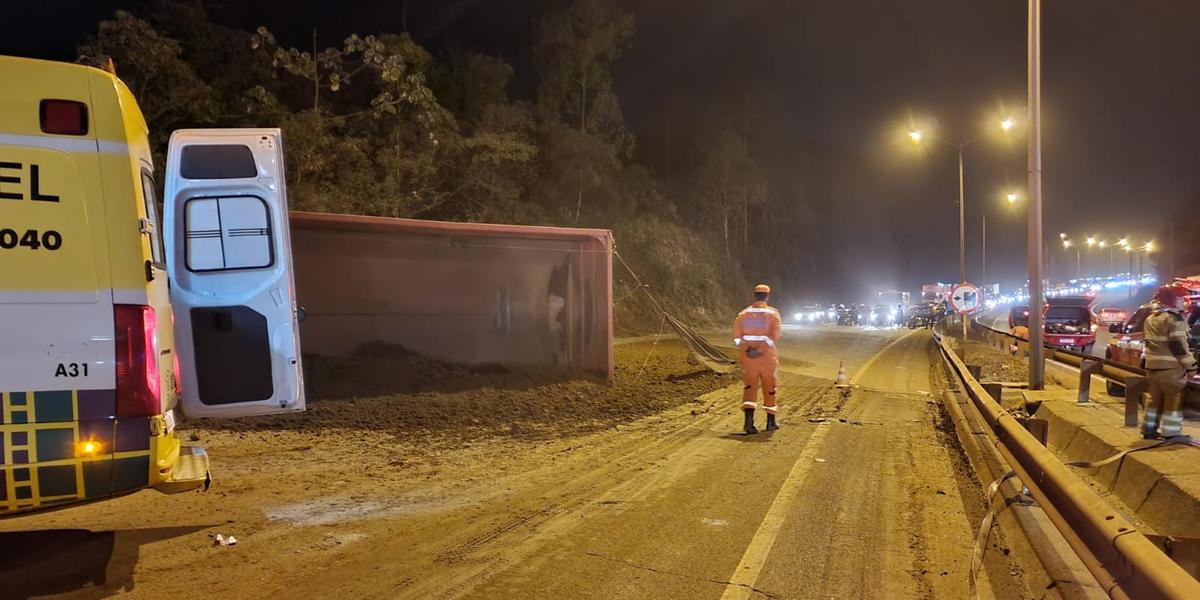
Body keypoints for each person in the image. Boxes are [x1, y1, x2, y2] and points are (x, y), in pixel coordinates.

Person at [1142, 286, 1198, 439]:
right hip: (1171, 369)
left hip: (1152, 368)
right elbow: (1178, 346)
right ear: (1174, 300)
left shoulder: (1151, 318)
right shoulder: (1173, 319)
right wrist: (1191, 366)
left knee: (1155, 400)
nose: (1183, 303)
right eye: (1181, 299)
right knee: (1173, 398)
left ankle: (1148, 430)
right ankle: (1171, 432)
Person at [733, 284, 782, 434]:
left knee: (749, 389)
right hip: (767, 359)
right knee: (770, 388)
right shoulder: (773, 314)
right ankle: (770, 423)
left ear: (754, 295)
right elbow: (774, 336)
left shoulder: (743, 314)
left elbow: (736, 337)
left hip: (749, 359)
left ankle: (748, 424)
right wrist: (760, 350)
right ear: (767, 296)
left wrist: (747, 349)